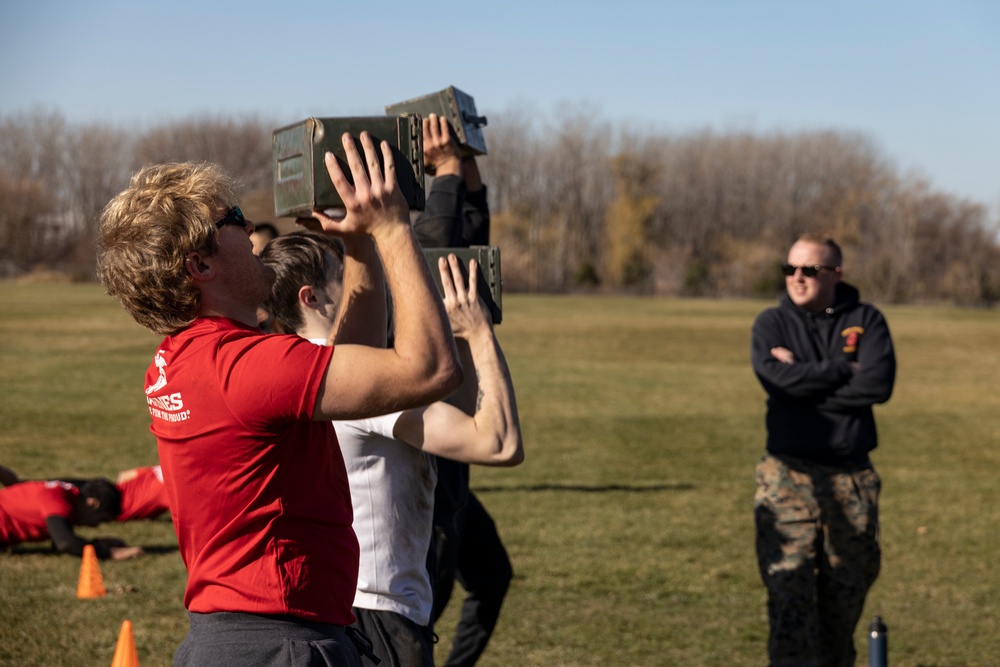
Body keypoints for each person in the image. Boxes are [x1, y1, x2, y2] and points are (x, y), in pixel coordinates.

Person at [96, 132, 462, 667]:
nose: (249, 228)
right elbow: (430, 369)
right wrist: (391, 228)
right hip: (280, 644)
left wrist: (358, 245)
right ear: (200, 265)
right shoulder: (246, 367)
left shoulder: (187, 360)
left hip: (236, 637)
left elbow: (352, 374)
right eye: (234, 218)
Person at [260, 228, 523, 666]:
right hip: (378, 618)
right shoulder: (357, 384)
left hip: (347, 606)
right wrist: (479, 333)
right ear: (311, 298)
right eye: (344, 272)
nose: (369, 278)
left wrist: (455, 338)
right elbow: (498, 443)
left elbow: (456, 417)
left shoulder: (301, 370)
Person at [750, 234, 896, 667]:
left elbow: (877, 385)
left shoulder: (866, 320)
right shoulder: (771, 324)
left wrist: (803, 381)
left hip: (852, 479)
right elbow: (777, 380)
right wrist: (839, 371)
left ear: (836, 274)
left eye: (810, 270)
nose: (797, 278)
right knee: (789, 600)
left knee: (843, 602)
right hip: (786, 478)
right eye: (790, 269)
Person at [412, 114, 510, 667]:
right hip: (427, 474)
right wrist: (447, 167)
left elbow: (465, 253)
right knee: (422, 611)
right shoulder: (399, 277)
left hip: (454, 471)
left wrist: (465, 164)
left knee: (493, 578)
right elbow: (431, 248)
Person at [0, 477, 144, 560]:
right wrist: (111, 553)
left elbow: (59, 542)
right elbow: (65, 543)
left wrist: (95, 543)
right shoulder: (59, 501)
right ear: (93, 503)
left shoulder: (66, 494)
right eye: (102, 519)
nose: (97, 525)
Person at [0, 463, 170, 522]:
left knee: (26, 486)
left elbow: (126, 475)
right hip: (103, 507)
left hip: (101, 488)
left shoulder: (161, 468)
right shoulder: (172, 489)